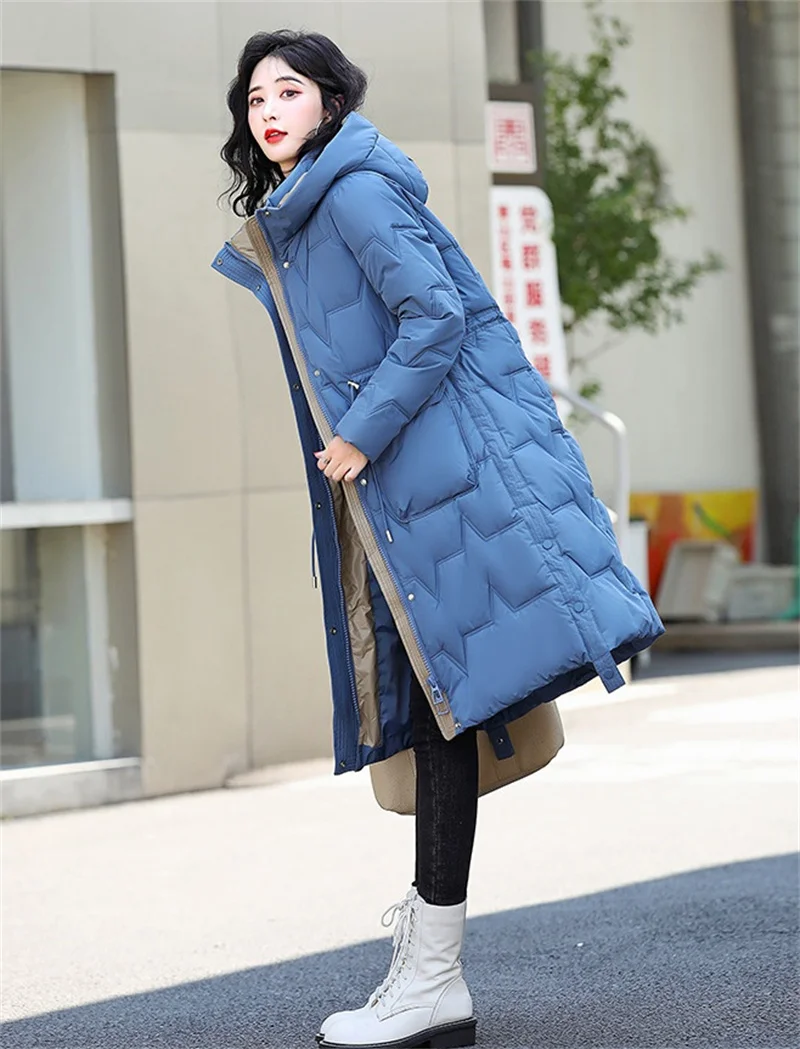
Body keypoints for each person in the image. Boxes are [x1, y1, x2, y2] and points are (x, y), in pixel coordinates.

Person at [213, 30, 664, 1049]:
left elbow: (434, 318)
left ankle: (432, 975)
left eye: (289, 90)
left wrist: (357, 434)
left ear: (331, 102)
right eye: (253, 98)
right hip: (407, 495)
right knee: (435, 718)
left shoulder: (352, 195)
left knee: (440, 717)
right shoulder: (310, 207)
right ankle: (431, 972)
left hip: (429, 490)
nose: (268, 109)